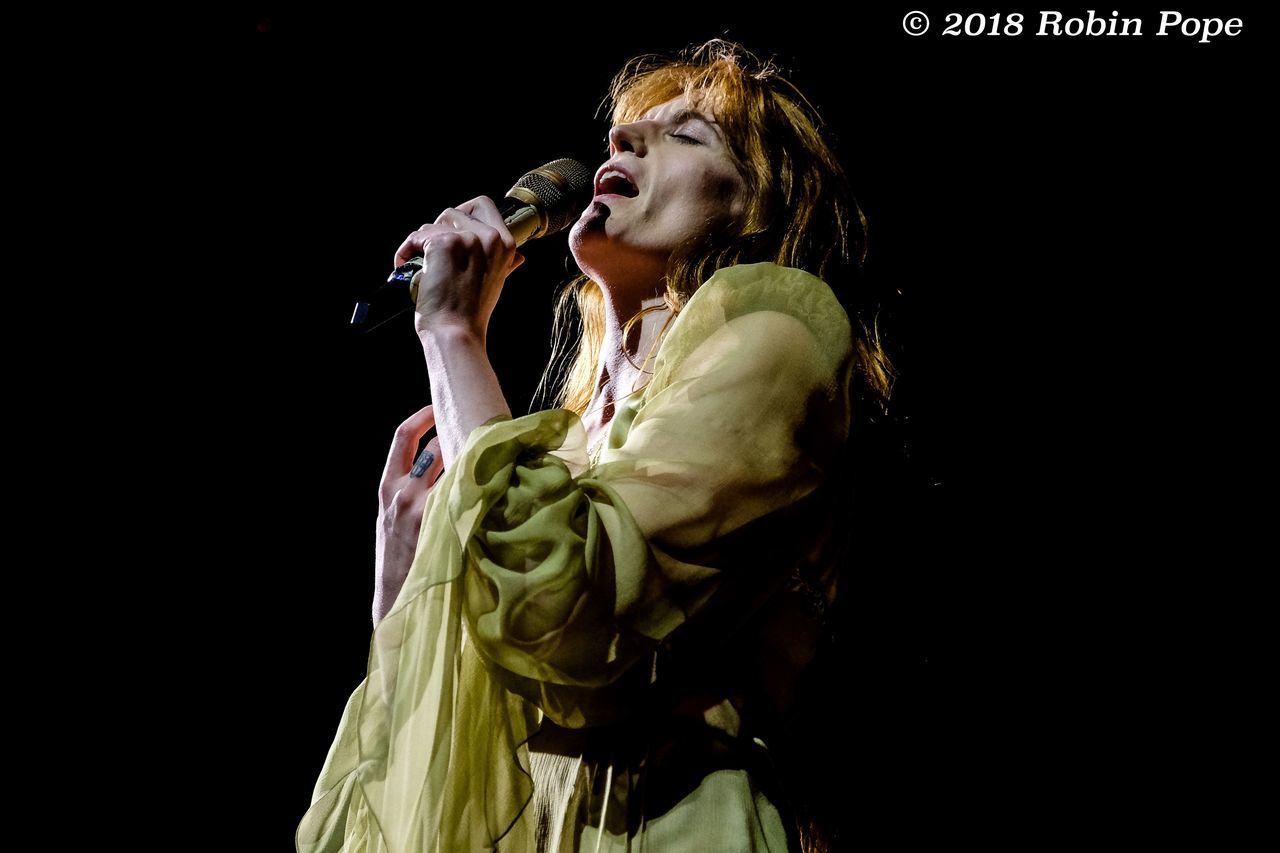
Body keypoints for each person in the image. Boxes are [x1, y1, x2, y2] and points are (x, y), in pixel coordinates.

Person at [296, 38, 895, 853]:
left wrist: (451, 332)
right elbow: (439, 735)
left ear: (758, 205)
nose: (622, 141)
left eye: (688, 134)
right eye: (627, 130)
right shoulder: (558, 448)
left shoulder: (780, 327)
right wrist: (405, 590)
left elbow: (573, 615)